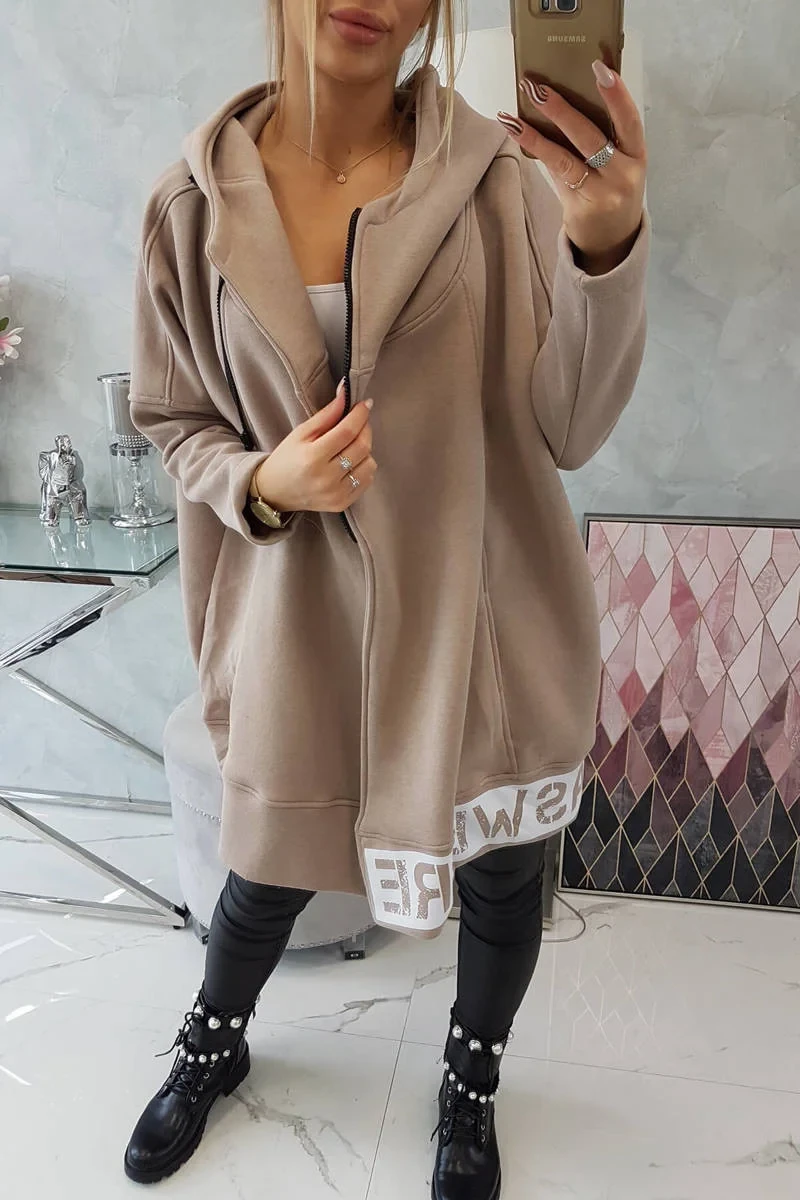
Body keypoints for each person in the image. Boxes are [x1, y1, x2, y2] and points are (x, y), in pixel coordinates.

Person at [124, 2, 648, 1195]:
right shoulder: (188, 207)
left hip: (481, 621)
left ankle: (470, 1080)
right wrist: (262, 480)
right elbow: (171, 418)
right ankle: (212, 1041)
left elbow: (570, 426)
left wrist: (603, 241)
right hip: (296, 625)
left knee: (503, 877)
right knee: (266, 868)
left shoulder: (499, 182)